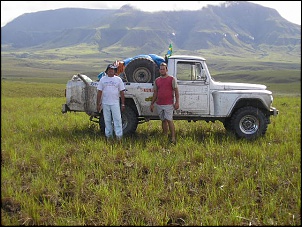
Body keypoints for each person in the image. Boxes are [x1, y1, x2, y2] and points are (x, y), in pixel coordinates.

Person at [150, 62, 179, 144]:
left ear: (167, 70)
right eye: (161, 69)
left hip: (168, 104)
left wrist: (177, 102)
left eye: (163, 69)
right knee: (163, 120)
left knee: (169, 120)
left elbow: (176, 91)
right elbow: (155, 93)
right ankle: (165, 135)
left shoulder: (172, 79)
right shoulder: (157, 80)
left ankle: (173, 137)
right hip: (159, 103)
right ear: (159, 70)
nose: (162, 70)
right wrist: (152, 103)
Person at [97, 64, 125, 140]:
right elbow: (99, 92)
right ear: (107, 71)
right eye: (109, 70)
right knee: (107, 120)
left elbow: (122, 92)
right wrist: (98, 104)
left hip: (115, 103)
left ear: (115, 71)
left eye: (112, 70)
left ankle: (119, 136)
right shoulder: (103, 79)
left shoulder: (118, 79)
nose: (111, 71)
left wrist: (123, 103)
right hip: (105, 103)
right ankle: (109, 136)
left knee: (117, 120)